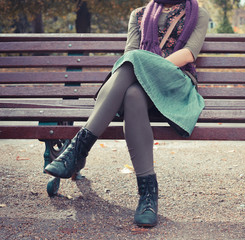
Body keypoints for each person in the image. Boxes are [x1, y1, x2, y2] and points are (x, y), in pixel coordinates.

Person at [44, 0, 209, 227]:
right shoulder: (139, 14)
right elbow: (130, 54)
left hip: (175, 83)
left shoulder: (198, 13)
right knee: (132, 94)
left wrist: (151, 67)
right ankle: (148, 196)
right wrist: (144, 68)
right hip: (139, 84)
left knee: (136, 62)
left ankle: (78, 150)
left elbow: (189, 53)